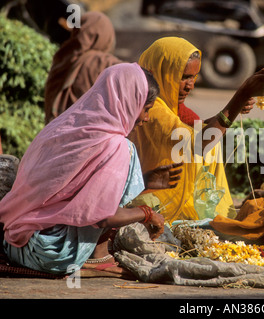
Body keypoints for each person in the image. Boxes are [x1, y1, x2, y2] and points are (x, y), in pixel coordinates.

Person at [0, 63, 182, 277]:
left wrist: (144, 181)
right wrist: (147, 214)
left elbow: (70, 193)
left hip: (14, 242)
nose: (146, 118)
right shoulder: (116, 146)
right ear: (129, 102)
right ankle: (100, 256)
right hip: (51, 253)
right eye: (146, 109)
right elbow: (102, 216)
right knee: (127, 149)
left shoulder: (64, 124)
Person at [128, 36, 264, 223]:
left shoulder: (171, 109)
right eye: (184, 77)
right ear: (162, 71)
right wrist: (239, 96)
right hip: (153, 199)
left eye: (194, 77)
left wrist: (234, 109)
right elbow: (199, 144)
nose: (190, 85)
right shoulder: (151, 109)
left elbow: (194, 131)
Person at [44, 11, 122, 124]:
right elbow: (135, 76)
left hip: (53, 133)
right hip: (85, 136)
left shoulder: (63, 56)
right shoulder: (102, 63)